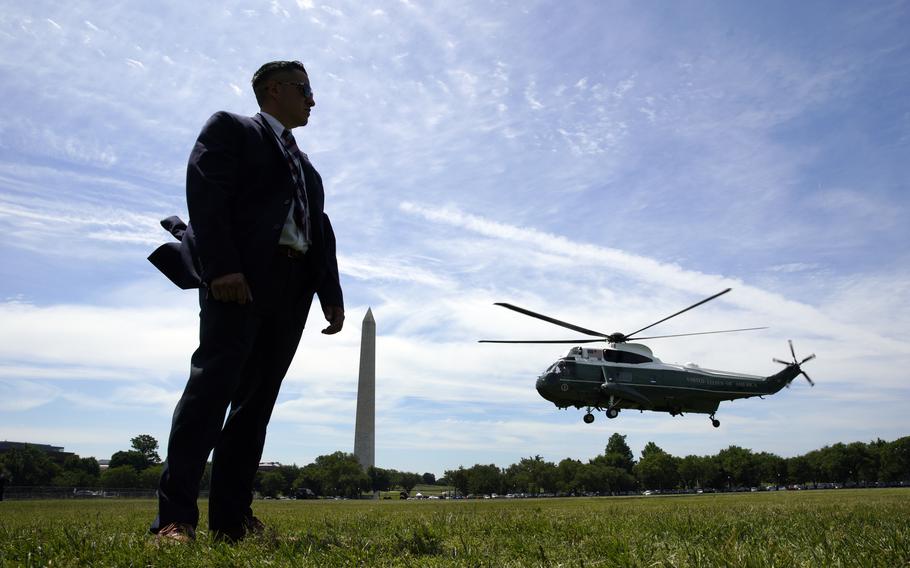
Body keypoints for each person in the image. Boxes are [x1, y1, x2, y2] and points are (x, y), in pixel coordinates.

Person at [148, 60, 344, 543]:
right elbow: (206, 194)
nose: (313, 100)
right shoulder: (231, 129)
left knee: (255, 407)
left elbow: (318, 229)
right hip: (241, 279)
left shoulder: (308, 168)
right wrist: (221, 267)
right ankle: (175, 519)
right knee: (209, 394)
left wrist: (330, 294)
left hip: (292, 287)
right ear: (273, 90)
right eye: (305, 90)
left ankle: (233, 519)